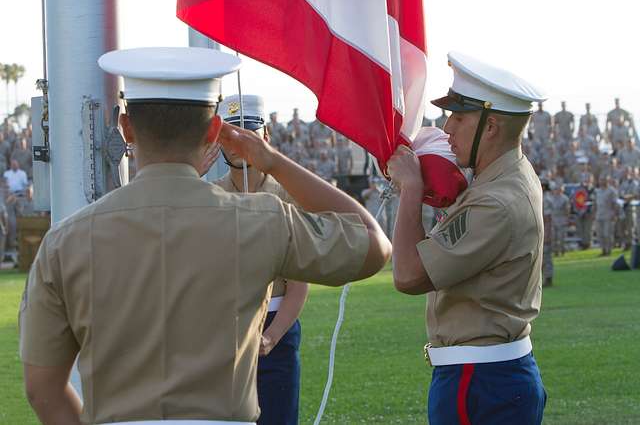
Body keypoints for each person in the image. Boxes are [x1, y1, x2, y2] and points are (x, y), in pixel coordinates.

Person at [19, 47, 391, 425]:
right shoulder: (261, 219)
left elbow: (42, 389)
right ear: (214, 129)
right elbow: (373, 244)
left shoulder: (65, 241)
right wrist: (273, 161)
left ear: (127, 127)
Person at [387, 51, 547, 424]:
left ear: (490, 128)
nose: (446, 129)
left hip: (478, 383)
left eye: (458, 117)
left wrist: (411, 189)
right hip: (492, 376)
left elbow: (408, 275)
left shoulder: (495, 202)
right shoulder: (505, 178)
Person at [214, 94, 308, 425]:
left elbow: (299, 281)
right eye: (229, 134)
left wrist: (272, 336)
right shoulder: (208, 198)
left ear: (265, 136)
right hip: (219, 330)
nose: (239, 143)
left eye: (248, 132)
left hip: (275, 327)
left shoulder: (288, 197)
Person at [594, 175, 618, 256]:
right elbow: (595, 203)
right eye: (600, 180)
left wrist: (614, 214)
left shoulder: (612, 191)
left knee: (607, 234)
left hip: (608, 214)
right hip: (599, 214)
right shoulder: (597, 191)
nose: (601, 182)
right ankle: (603, 250)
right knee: (600, 234)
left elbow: (615, 204)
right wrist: (594, 213)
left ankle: (609, 250)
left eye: (603, 180)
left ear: (607, 181)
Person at [549, 182, 570, 256]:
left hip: (562, 219)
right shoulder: (551, 198)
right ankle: (555, 251)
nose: (557, 191)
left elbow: (567, 210)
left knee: (561, 237)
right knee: (554, 237)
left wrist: (567, 218)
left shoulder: (565, 198)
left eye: (559, 189)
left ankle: (562, 250)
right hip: (553, 219)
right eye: (556, 189)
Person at [541, 179, 554, 287]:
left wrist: (547, 234)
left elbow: (548, 218)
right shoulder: (542, 198)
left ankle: (548, 277)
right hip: (541, 230)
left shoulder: (546, 199)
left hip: (546, 230)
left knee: (546, 256)